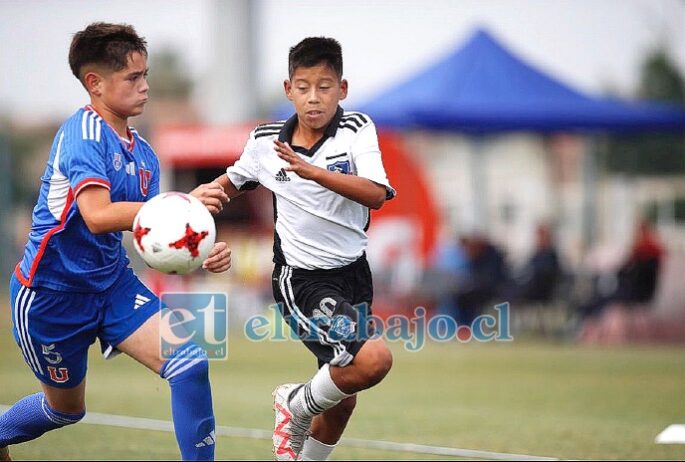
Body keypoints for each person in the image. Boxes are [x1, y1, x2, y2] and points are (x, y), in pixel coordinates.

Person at [0, 23, 231, 461]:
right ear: (95, 83)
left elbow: (154, 237)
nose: (145, 87)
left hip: (112, 286)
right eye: (133, 78)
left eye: (146, 76)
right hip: (50, 296)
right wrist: (180, 201)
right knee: (65, 411)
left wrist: (199, 247)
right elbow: (99, 215)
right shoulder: (82, 134)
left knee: (190, 365)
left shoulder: (143, 154)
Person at [214, 37, 395, 461]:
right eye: (304, 86)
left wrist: (312, 172)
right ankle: (294, 402)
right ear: (288, 89)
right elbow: (226, 187)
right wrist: (196, 227)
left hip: (354, 274)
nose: (314, 97)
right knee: (373, 361)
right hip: (303, 280)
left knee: (344, 397)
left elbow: (375, 193)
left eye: (325, 86)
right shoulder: (264, 142)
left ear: (342, 89)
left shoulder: (357, 129)